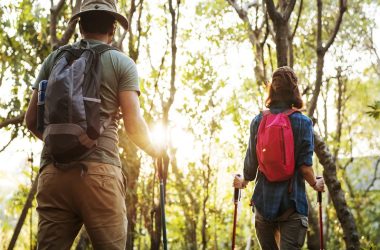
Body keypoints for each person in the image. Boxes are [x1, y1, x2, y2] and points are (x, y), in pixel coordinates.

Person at [25, 0, 163, 249]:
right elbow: (133, 125)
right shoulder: (122, 63)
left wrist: (64, 144)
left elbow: (31, 120)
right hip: (100, 174)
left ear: (80, 26)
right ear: (113, 28)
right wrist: (157, 152)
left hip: (53, 174)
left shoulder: (54, 59)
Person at [233, 66, 325, 250]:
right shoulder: (304, 122)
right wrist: (316, 183)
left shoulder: (259, 120)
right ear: (294, 90)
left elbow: (250, 166)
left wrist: (242, 180)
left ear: (272, 89)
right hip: (293, 204)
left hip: (263, 204)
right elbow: (305, 168)